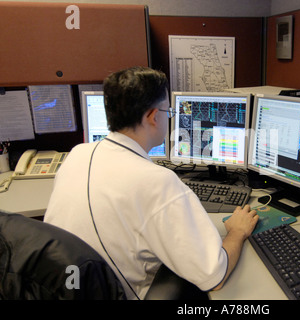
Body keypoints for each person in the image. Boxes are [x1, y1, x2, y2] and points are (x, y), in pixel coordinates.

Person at [44, 67, 258, 300]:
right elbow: (213, 275)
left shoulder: (78, 154)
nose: (170, 117)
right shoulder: (157, 181)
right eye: (169, 111)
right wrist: (237, 233)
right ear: (153, 117)